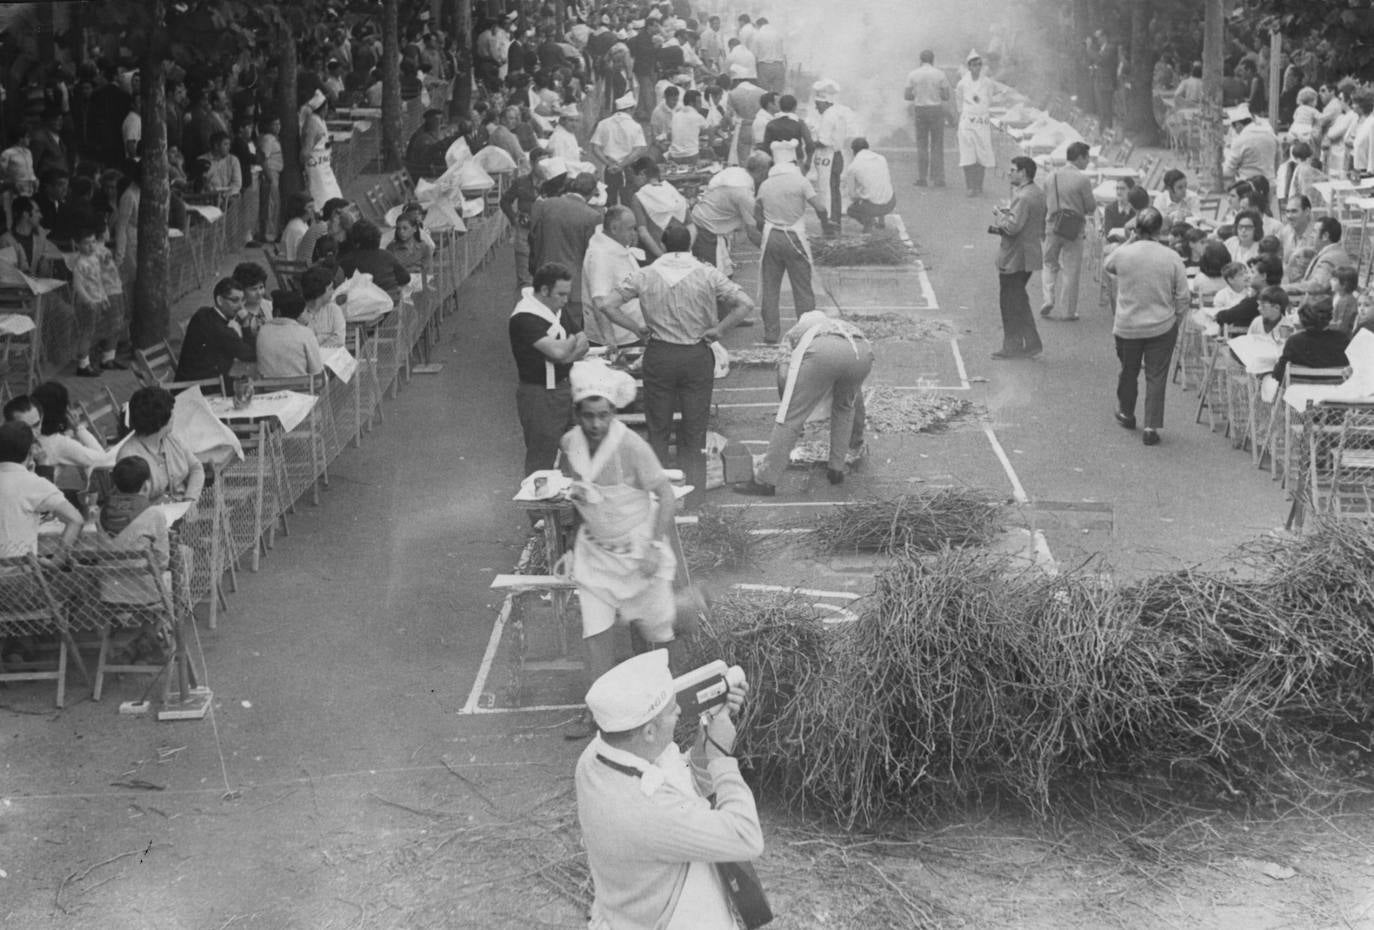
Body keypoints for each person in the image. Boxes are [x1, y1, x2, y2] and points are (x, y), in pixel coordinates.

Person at [575, 650, 763, 930]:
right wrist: (722, 758)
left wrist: (709, 728)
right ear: (649, 732)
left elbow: (683, 780)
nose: (679, 711)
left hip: (632, 910)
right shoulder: (645, 810)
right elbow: (747, 837)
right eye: (672, 709)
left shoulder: (599, 754)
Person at [598, 225, 755, 508]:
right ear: (690, 243)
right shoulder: (707, 273)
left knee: (658, 427)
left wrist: (637, 328)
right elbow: (744, 303)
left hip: (660, 354)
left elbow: (608, 305)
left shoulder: (645, 274)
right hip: (696, 355)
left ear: (663, 243)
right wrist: (719, 329)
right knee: (694, 430)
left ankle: (658, 498)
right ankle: (695, 498)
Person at [560, 361, 682, 701]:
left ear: (614, 411)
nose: (596, 423)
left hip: (638, 550)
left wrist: (655, 548)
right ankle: (597, 708)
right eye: (588, 415)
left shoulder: (631, 446)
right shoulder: (569, 444)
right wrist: (569, 546)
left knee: (657, 629)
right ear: (576, 413)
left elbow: (666, 495)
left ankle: (662, 695)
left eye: (603, 415)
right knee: (595, 633)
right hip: (595, 553)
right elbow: (578, 498)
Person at [735, 311, 874, 497]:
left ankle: (765, 480)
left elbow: (783, 374)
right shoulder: (840, 325)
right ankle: (836, 469)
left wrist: (789, 407)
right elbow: (856, 402)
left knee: (791, 416)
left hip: (825, 352)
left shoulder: (795, 332)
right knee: (844, 408)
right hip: (863, 352)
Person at [1103, 208, 1189, 446]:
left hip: (1128, 325)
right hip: (1161, 325)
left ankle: (1127, 412)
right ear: (1160, 230)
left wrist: (1129, 241)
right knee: (1156, 376)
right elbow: (1183, 296)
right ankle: (1151, 426)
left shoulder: (1124, 254)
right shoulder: (1171, 257)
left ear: (1136, 229)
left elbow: (1108, 265)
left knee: (1128, 370)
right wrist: (1176, 320)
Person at [509, 262, 589, 477]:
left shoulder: (555, 308)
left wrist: (566, 352)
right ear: (544, 291)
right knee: (542, 456)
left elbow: (584, 342)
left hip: (564, 388)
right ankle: (539, 510)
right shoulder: (524, 317)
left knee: (578, 450)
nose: (565, 300)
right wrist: (570, 346)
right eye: (560, 294)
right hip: (539, 394)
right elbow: (558, 352)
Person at [756, 140, 829, 345]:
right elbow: (821, 207)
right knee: (802, 288)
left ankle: (771, 333)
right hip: (794, 237)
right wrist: (826, 225)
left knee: (770, 288)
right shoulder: (800, 182)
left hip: (771, 237)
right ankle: (806, 332)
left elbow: (757, 213)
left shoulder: (765, 184)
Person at [529, 160, 604, 331]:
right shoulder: (592, 216)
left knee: (545, 326)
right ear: (592, 193)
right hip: (573, 284)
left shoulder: (545, 205)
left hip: (544, 275)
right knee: (572, 331)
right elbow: (591, 255)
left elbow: (533, 238)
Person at [988, 156, 1047, 359]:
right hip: (1028, 254)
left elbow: (1012, 227)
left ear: (1023, 173)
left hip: (1015, 256)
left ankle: (1012, 345)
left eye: (1013, 170)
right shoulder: (1036, 192)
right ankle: (1031, 343)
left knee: (1009, 302)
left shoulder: (1023, 197)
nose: (1010, 173)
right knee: (1019, 300)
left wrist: (999, 215)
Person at [0, 421, 83, 559]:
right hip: (20, 574)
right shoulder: (34, 484)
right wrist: (57, 560)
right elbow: (76, 520)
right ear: (30, 452)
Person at [114, 387, 205, 506]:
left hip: (183, 509)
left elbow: (196, 467)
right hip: (152, 519)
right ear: (160, 421)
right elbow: (131, 504)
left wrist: (190, 499)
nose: (174, 416)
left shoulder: (170, 439)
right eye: (171, 413)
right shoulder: (128, 456)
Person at [1038, 141, 1096, 322]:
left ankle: (1048, 298)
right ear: (1079, 158)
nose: (1088, 161)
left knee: (1049, 263)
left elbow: (1044, 203)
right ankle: (1068, 311)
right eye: (1087, 158)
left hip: (1052, 226)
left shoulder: (1050, 177)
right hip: (1073, 229)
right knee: (1071, 270)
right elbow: (1091, 206)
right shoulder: (1082, 179)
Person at [690, 155, 767, 277]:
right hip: (708, 232)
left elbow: (757, 218)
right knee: (715, 280)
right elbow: (752, 231)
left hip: (704, 223)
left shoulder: (735, 171)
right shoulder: (743, 192)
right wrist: (769, 251)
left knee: (721, 278)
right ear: (762, 172)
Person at [582, 206, 647, 348]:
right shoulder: (601, 256)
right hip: (620, 339)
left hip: (630, 334)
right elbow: (599, 302)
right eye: (630, 229)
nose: (634, 234)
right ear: (614, 228)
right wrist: (610, 341)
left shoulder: (615, 245)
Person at [176, 277, 257, 381]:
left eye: (242, 300)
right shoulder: (223, 332)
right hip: (202, 388)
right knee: (251, 382)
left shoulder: (202, 312)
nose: (241, 306)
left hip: (188, 380)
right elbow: (251, 355)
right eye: (235, 300)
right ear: (220, 300)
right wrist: (245, 325)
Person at [810, 81, 856, 233]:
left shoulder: (828, 116)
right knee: (834, 190)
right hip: (837, 155)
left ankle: (830, 222)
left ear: (824, 102)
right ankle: (835, 221)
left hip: (828, 157)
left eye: (818, 104)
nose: (816, 107)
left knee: (827, 191)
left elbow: (823, 141)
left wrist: (809, 143)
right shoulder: (838, 112)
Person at [1271, 297, 1350, 385]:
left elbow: (1278, 375)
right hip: (1334, 394)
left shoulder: (1294, 341)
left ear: (1302, 318)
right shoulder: (1343, 339)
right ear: (1329, 317)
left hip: (1300, 395)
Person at [589, 92, 648, 208]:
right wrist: (621, 165)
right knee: (629, 200)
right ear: (631, 109)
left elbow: (595, 148)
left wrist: (609, 164)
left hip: (609, 168)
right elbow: (639, 149)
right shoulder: (635, 126)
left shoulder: (603, 123)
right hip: (629, 168)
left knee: (610, 200)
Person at [905, 50, 952, 188]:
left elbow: (907, 95)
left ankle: (922, 177)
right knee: (937, 144)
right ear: (933, 60)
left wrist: (919, 94)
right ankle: (938, 178)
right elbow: (946, 96)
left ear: (920, 60)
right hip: (936, 110)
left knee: (922, 144)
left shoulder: (913, 74)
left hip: (920, 110)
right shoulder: (939, 74)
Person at [628, 156, 688, 260]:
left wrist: (662, 257)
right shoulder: (673, 191)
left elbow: (643, 233)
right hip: (682, 253)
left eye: (634, 176)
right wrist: (686, 252)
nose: (633, 180)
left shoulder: (639, 197)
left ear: (642, 174)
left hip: (655, 255)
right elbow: (692, 227)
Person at [956, 51, 998, 196]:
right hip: (967, 122)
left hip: (982, 122)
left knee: (982, 153)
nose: (977, 68)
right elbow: (959, 102)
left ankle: (978, 185)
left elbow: (989, 100)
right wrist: (965, 116)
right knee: (968, 154)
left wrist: (981, 112)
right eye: (974, 65)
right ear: (969, 67)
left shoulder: (987, 83)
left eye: (979, 65)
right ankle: (970, 187)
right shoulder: (962, 84)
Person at [337, 220, 411, 303]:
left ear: (355, 242)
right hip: (393, 301)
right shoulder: (387, 255)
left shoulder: (347, 261)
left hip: (371, 306)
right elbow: (405, 278)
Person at [256, 289, 324, 378]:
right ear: (298, 314)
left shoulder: (262, 331)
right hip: (300, 389)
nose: (309, 314)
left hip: (269, 389)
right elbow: (316, 371)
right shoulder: (306, 333)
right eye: (306, 311)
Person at [840, 138, 895, 232]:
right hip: (891, 203)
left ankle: (869, 224)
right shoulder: (882, 158)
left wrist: (861, 195)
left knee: (851, 210)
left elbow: (852, 196)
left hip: (873, 208)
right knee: (881, 187)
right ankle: (881, 222)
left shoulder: (853, 167)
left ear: (853, 151)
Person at [1291, 217, 1355, 297]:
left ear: (1325, 236)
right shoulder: (1333, 252)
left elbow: (1317, 285)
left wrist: (1283, 288)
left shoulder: (1330, 257)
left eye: (1314, 232)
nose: (1311, 235)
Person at [300, 89, 342, 205]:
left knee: (336, 197)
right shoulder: (312, 123)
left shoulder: (320, 121)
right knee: (322, 200)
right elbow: (305, 152)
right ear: (324, 108)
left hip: (325, 167)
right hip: (317, 170)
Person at [1223, 103, 1278, 185]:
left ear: (1238, 125)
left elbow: (1227, 172)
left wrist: (1226, 153)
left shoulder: (1240, 140)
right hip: (1269, 183)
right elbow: (1278, 159)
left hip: (1248, 187)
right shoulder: (1270, 135)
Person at [760, 95, 815, 174]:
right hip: (796, 162)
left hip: (776, 162)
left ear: (780, 106)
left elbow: (765, 147)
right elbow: (809, 144)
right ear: (795, 107)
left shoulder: (771, 124)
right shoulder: (800, 123)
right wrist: (808, 162)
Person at [300, 263, 348, 349]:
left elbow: (339, 340)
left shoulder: (334, 310)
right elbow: (301, 344)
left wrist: (316, 345)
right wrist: (326, 337)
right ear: (319, 291)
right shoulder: (299, 312)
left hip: (332, 360)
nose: (333, 292)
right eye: (330, 288)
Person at [256, 115, 283, 245]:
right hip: (270, 174)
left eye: (279, 124)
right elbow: (263, 159)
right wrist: (270, 177)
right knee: (270, 206)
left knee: (274, 205)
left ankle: (272, 233)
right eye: (275, 124)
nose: (278, 127)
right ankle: (268, 235)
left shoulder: (275, 139)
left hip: (276, 174)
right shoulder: (267, 139)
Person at [751, 16, 786, 94]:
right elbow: (784, 53)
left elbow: (754, 55)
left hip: (764, 67)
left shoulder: (757, 35)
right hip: (779, 66)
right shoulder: (778, 33)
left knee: (764, 94)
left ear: (758, 25)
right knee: (778, 94)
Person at [280, 192, 316, 261]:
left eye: (313, 207)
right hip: (297, 268)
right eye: (310, 207)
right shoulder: (298, 228)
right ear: (300, 208)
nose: (313, 210)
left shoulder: (300, 223)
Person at [1331, 267, 1361, 334]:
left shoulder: (1346, 302)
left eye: (1335, 280)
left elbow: (1342, 327)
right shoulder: (1338, 294)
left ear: (1344, 285)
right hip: (1334, 330)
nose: (1331, 281)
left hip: (1340, 337)